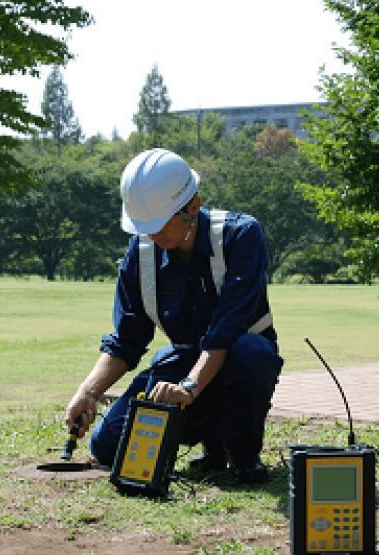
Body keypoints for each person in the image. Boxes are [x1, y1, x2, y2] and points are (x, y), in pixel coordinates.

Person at [64, 148, 283, 484]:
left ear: (193, 206)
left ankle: (240, 454)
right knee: (107, 446)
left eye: (159, 224)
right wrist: (88, 391)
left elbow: (224, 332)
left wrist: (188, 388)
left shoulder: (240, 236)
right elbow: (127, 339)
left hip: (236, 364)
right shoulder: (141, 253)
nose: (151, 234)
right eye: (143, 226)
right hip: (185, 363)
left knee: (251, 353)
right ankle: (208, 438)